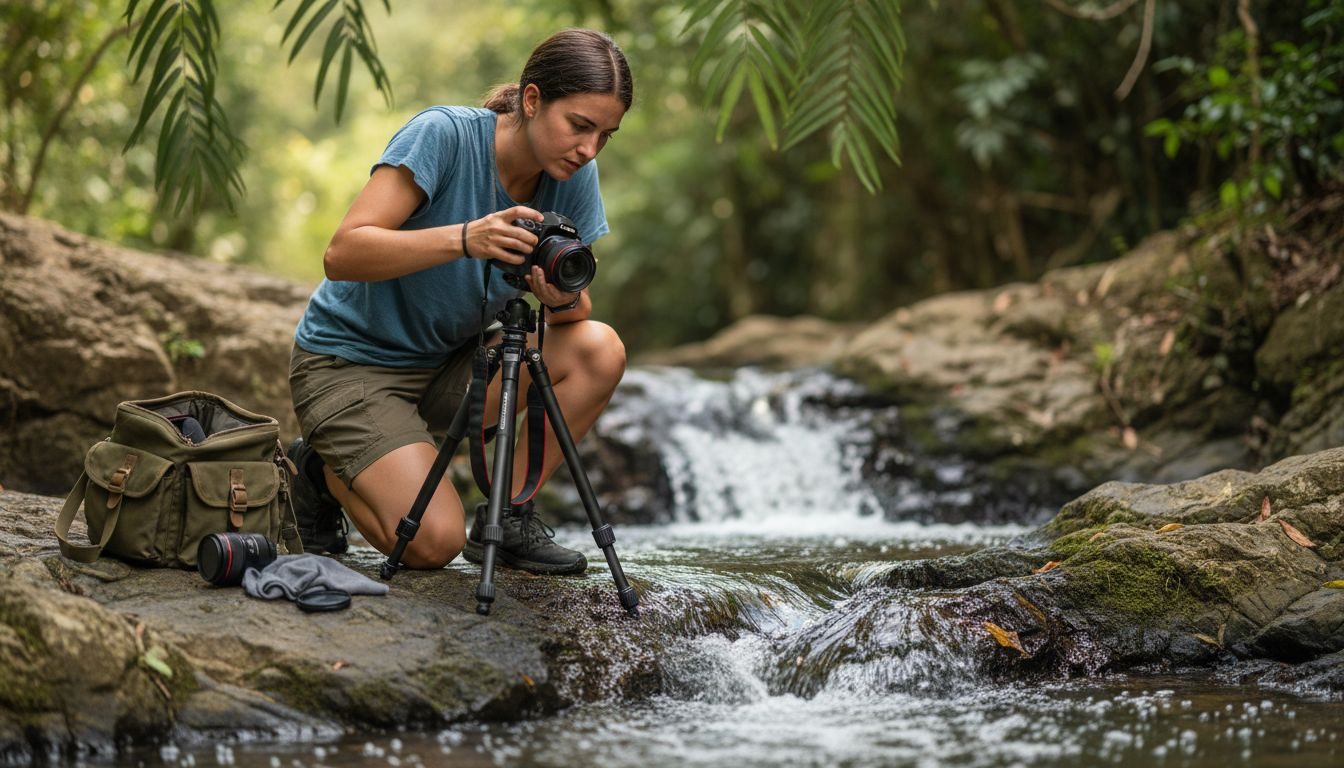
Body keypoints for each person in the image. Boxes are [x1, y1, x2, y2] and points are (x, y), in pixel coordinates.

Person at [285, 28, 632, 574]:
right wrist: (466, 237)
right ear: (533, 99)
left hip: (455, 362)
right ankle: (317, 470)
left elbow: (576, 311)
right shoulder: (443, 136)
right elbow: (342, 253)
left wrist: (558, 297)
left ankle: (511, 516)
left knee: (599, 348)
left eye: (605, 135)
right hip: (350, 365)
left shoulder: (575, 173)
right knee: (431, 544)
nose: (589, 149)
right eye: (580, 126)